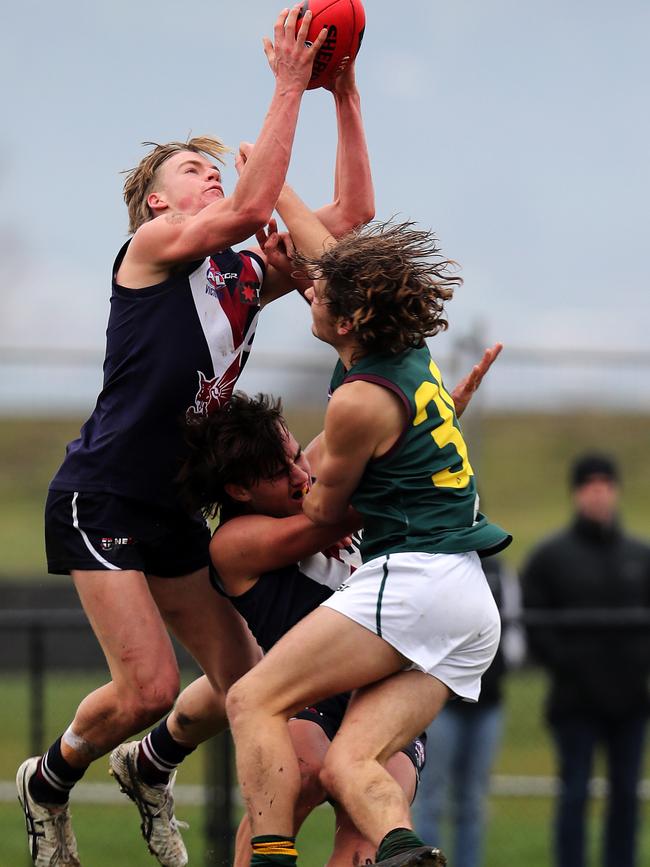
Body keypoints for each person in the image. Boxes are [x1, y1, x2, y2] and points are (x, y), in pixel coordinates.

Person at [15, 7, 375, 866]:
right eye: (193, 170)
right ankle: (49, 781)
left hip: (172, 507)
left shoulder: (240, 273)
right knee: (146, 685)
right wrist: (288, 83)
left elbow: (353, 217)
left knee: (251, 684)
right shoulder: (150, 247)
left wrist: (345, 91)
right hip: (100, 496)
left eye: (215, 171)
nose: (212, 179)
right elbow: (256, 200)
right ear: (158, 201)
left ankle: (152, 768)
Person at [109, 346, 500, 867]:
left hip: (381, 692)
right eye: (281, 471)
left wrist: (425, 430)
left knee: (373, 825)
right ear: (239, 490)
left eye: (296, 454)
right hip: (308, 695)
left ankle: (161, 752)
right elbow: (338, 515)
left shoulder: (312, 481)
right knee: (298, 777)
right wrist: (425, 465)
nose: (300, 474)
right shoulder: (236, 541)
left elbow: (352, 454)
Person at [223, 183, 512, 867]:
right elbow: (330, 264)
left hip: (416, 579)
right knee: (350, 763)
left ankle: (269, 856)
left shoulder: (356, 401)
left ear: (350, 322)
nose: (309, 291)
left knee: (252, 699)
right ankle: (405, 849)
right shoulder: (400, 342)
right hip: (471, 603)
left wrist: (312, 476)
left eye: (319, 295)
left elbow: (323, 513)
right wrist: (272, 185)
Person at [521, 453, 650, 867]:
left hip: (631, 704)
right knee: (574, 794)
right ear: (577, 493)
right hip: (574, 703)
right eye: (589, 486)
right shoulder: (550, 558)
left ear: (615, 490)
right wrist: (571, 666)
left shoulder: (640, 556)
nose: (598, 494)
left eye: (605, 485)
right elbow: (535, 624)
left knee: (626, 797)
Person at [411, 554, 517, 867]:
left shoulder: (497, 570)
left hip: (488, 703)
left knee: (472, 799)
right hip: (440, 704)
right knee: (429, 796)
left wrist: (502, 668)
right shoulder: (429, 568)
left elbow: (512, 629)